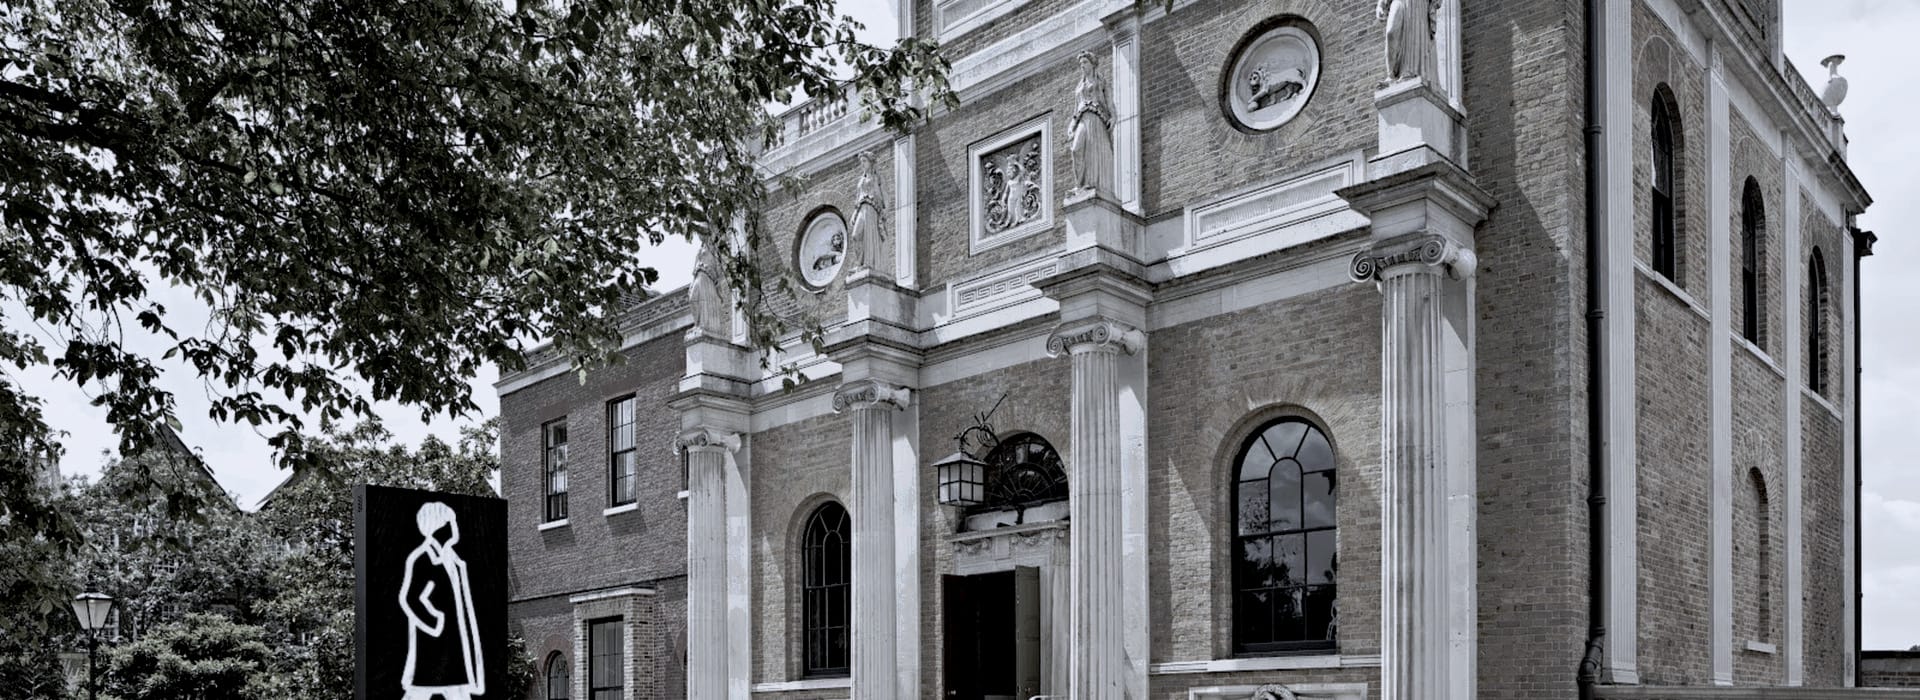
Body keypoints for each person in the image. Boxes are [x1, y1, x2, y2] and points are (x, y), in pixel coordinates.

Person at [399, 502, 485, 700]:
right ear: (438, 527)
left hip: (455, 643)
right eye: (450, 522)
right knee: (421, 692)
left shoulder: (451, 558)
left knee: (457, 690)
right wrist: (436, 622)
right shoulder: (423, 559)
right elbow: (411, 598)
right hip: (435, 645)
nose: (454, 526)